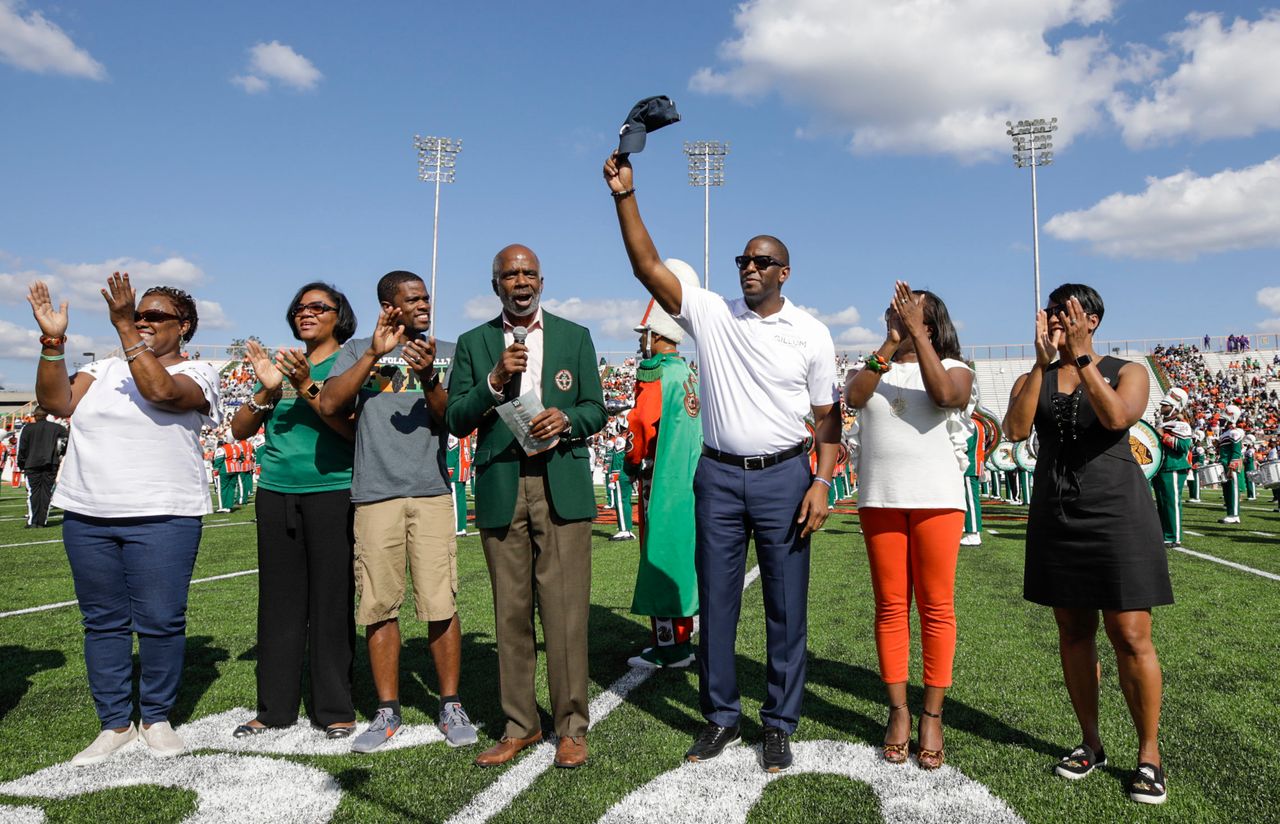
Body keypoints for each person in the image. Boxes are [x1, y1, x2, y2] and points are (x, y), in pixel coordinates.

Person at [604, 152, 840, 773]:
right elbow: (647, 266)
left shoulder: (813, 332)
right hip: (717, 473)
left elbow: (828, 421)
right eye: (743, 261)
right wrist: (626, 196)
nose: (750, 269)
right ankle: (720, 717)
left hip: (788, 475)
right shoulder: (711, 313)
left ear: (785, 272)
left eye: (762, 262)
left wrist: (821, 480)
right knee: (718, 600)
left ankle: (779, 723)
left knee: (787, 606)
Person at [28, 273, 220, 764]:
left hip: (164, 514)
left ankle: (156, 717)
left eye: (155, 316)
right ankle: (115, 724)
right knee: (103, 623)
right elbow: (54, 404)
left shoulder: (201, 371)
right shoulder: (106, 370)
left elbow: (160, 393)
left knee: (159, 621)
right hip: (89, 514)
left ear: (186, 327)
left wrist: (125, 331)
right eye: (139, 315)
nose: (143, 321)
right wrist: (53, 342)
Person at [1004, 283, 1172, 805]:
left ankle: (1149, 753)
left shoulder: (1129, 370)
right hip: (1057, 511)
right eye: (1051, 311)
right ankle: (1091, 744)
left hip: (1117, 512)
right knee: (1073, 630)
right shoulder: (1037, 373)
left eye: (1065, 311)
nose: (1053, 318)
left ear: (1091, 319)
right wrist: (1040, 363)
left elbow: (1119, 417)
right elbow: (1013, 430)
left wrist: (1080, 358)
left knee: (1129, 633)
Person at [445, 244, 606, 769]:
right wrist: (493, 380)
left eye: (528, 273)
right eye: (510, 274)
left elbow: (596, 410)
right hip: (501, 484)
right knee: (510, 614)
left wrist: (566, 421)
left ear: (542, 280)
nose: (520, 281)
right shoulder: (473, 343)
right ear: (495, 285)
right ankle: (520, 725)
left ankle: (571, 727)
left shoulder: (574, 336)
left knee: (564, 613)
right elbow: (456, 419)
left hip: (559, 482)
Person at [319, 270, 477, 753]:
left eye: (426, 297)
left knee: (440, 600)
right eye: (413, 299)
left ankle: (450, 701)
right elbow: (328, 403)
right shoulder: (356, 350)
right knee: (379, 604)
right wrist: (373, 354)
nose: (424, 305)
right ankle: (387, 710)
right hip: (374, 493)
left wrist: (429, 375)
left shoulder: (447, 350)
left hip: (430, 491)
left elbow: (453, 418)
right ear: (389, 305)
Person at [846, 282, 975, 770]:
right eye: (892, 312)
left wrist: (918, 337)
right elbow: (855, 397)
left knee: (937, 609)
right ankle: (898, 710)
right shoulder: (875, 366)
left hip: (938, 502)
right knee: (890, 607)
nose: (894, 318)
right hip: (880, 500)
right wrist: (889, 344)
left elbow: (945, 396)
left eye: (908, 312)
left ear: (932, 320)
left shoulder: (955, 368)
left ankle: (932, 715)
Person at [228, 283, 360, 740]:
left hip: (332, 492)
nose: (306, 313)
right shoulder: (280, 366)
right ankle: (274, 707)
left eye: (318, 307)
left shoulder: (350, 362)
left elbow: (352, 431)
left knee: (331, 601)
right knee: (279, 602)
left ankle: (334, 707)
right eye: (300, 307)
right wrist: (267, 390)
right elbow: (240, 429)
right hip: (276, 493)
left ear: (338, 315)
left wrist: (306, 384)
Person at [623, 259, 703, 669]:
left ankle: (669, 647)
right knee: (683, 558)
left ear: (656, 336)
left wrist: (631, 460)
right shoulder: (688, 373)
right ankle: (685, 640)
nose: (642, 342)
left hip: (661, 480)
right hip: (690, 481)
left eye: (645, 335)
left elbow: (640, 429)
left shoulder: (655, 375)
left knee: (659, 556)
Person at [1152, 388, 1192, 547]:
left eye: (1166, 405)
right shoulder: (1165, 423)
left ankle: (1174, 537)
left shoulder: (1181, 425)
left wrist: (1163, 435)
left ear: (1175, 407)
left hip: (1174, 466)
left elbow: (1183, 446)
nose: (1162, 407)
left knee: (1172, 502)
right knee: (1162, 502)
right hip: (1162, 467)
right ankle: (1165, 534)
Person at [16, 406, 64, 528]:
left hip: (31, 464)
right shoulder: (58, 428)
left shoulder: (27, 428)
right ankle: (42, 521)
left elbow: (22, 448)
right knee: (46, 492)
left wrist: (21, 464)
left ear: (35, 415)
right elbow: (64, 444)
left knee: (33, 492)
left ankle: (33, 521)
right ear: (47, 415)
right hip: (51, 463)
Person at [1216, 405, 1244, 524]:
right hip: (1224, 464)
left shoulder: (1234, 432)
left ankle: (1235, 515)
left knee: (1233, 489)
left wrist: (1231, 467)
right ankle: (1230, 513)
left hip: (1230, 466)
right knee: (1227, 491)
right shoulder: (1225, 433)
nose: (1221, 420)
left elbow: (1236, 451)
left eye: (1224, 417)